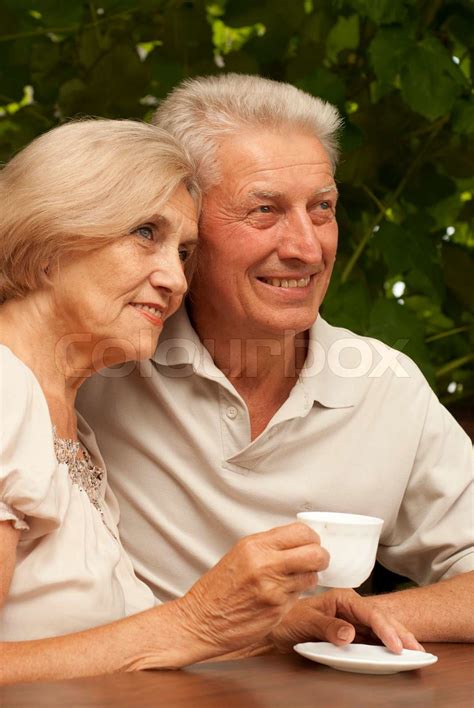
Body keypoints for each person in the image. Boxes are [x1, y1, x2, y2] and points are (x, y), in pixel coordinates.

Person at [1, 118, 416, 685]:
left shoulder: (72, 419)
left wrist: (267, 627)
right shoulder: (5, 391)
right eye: (146, 233)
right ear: (49, 240)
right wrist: (194, 620)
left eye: (185, 251)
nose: (175, 278)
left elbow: (83, 637)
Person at [78, 74, 474, 643]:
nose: (307, 248)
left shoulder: (385, 384)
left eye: (322, 208)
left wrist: (333, 623)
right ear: (182, 221)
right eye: (264, 210)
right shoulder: (100, 363)